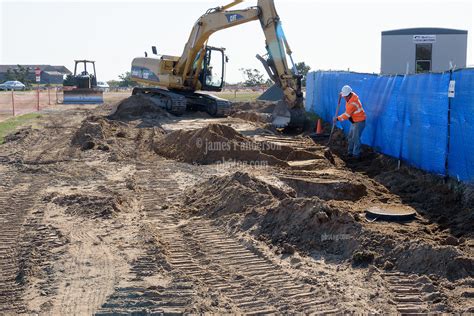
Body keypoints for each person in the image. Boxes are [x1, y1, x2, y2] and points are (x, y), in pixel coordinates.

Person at [333, 85, 367, 158]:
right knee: (350, 137)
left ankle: (356, 155)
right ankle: (350, 152)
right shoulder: (350, 96)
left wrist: (337, 118)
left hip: (359, 122)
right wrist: (341, 95)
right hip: (354, 121)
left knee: (356, 139)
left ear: (348, 95)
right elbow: (343, 94)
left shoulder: (353, 103)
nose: (344, 98)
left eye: (344, 96)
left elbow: (347, 115)